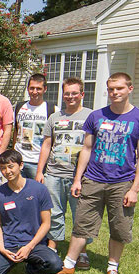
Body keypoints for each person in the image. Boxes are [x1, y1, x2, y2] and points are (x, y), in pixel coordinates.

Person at [56, 73, 139, 274]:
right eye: (111, 89)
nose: (114, 93)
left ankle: (112, 268)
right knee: (82, 223)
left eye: (119, 88)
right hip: (93, 179)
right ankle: (69, 264)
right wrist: (78, 179)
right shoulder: (97, 116)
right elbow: (87, 148)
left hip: (122, 182)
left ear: (130, 88)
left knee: (119, 227)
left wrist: (135, 190)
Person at [0, 150, 62, 274]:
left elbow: (46, 224)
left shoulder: (39, 189)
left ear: (21, 166)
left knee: (55, 264)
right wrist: (2, 248)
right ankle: (9, 263)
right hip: (9, 245)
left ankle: (32, 270)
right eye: (3, 168)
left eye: (11, 166)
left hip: (34, 245)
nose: (7, 171)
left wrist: (29, 247)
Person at [35, 78, 93, 264]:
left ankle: (82, 252)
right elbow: (46, 145)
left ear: (82, 94)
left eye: (74, 93)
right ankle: (53, 246)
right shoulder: (55, 117)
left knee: (80, 214)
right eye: (67, 93)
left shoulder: (91, 116)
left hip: (81, 176)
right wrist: (39, 171)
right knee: (54, 212)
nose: (70, 97)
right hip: (54, 173)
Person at [12, 74, 58, 179]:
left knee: (37, 193)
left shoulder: (52, 109)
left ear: (45, 89)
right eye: (32, 88)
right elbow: (16, 131)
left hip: (38, 163)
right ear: (28, 89)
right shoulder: (19, 107)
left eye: (39, 88)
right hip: (19, 160)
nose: (34, 92)